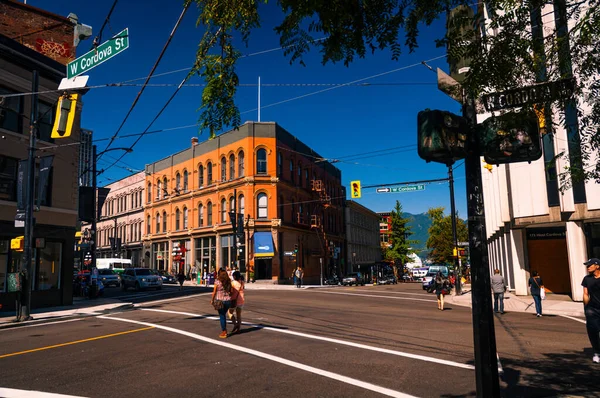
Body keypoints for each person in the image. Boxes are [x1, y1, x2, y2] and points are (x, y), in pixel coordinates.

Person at [210, 268, 238, 338]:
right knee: (223, 314)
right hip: (228, 301)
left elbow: (214, 292)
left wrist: (212, 300)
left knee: (222, 315)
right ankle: (226, 329)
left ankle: (224, 331)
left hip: (220, 301)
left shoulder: (217, 281)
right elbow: (231, 291)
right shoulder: (228, 281)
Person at [582, 258, 600, 364]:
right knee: (593, 330)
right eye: (587, 265)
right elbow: (585, 293)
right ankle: (597, 352)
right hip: (592, 309)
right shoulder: (587, 279)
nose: (588, 267)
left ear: (597, 266)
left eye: (590, 265)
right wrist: (586, 307)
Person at [229, 271, 245, 335]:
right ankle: (238, 329)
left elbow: (231, 291)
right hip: (241, 300)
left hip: (234, 300)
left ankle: (235, 324)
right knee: (239, 315)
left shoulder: (233, 283)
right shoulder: (241, 282)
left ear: (234, 276)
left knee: (230, 313)